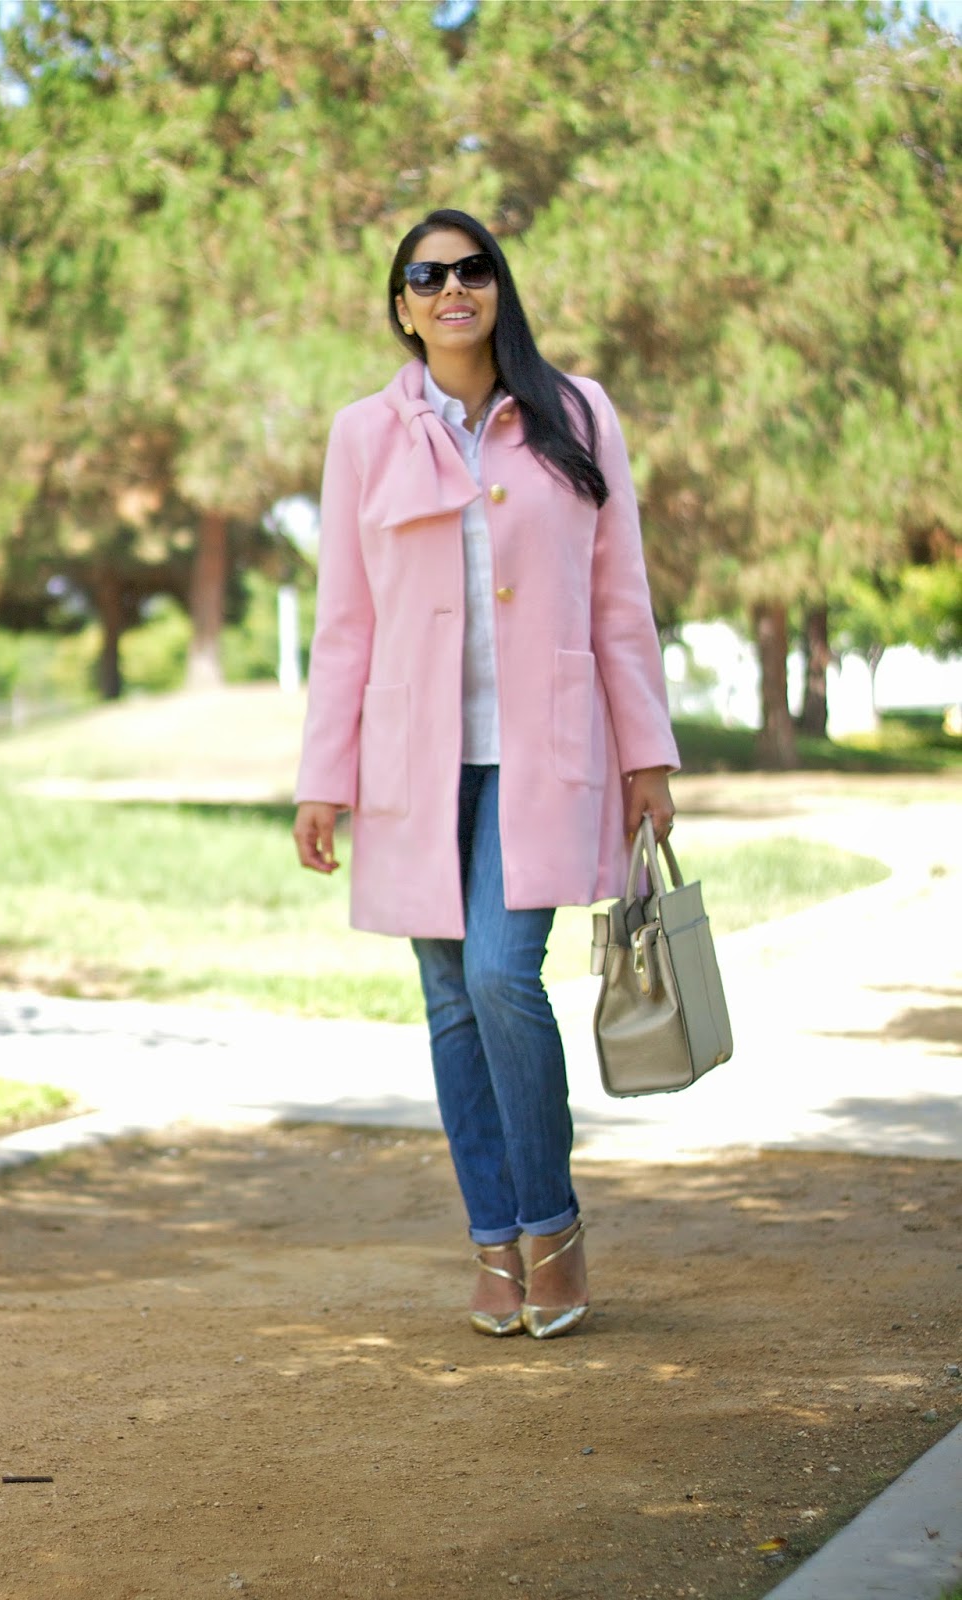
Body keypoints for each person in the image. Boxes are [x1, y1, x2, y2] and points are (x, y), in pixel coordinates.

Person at [293, 208, 678, 1340]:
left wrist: (646, 753)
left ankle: (551, 1229)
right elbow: (342, 622)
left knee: (505, 973)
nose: (451, 288)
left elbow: (619, 597)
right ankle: (492, 1243)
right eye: (427, 275)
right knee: (449, 1002)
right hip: (411, 753)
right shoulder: (363, 433)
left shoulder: (575, 412)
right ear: (402, 305)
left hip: (541, 748)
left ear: (497, 288)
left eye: (471, 270)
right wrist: (323, 778)